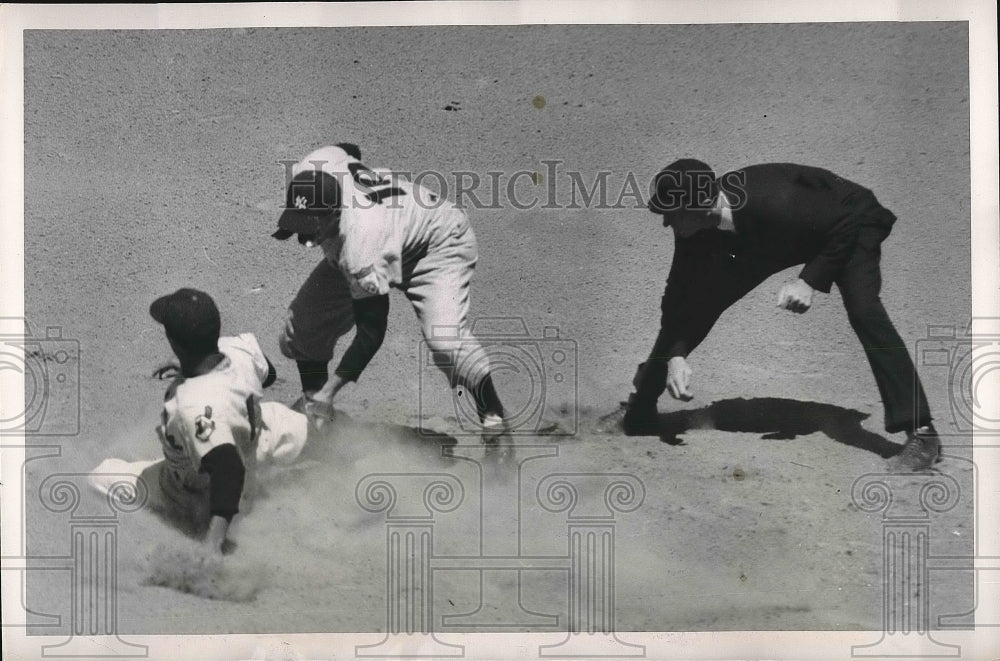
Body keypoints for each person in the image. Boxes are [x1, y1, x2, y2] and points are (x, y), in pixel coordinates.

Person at [624, 159, 940, 472]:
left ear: (702, 205)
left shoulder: (773, 200)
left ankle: (922, 433)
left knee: (864, 309)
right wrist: (676, 355)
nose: (667, 223)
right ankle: (641, 409)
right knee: (701, 302)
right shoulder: (693, 228)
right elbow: (677, 293)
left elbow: (847, 222)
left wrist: (809, 280)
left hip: (846, 223)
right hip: (769, 238)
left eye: (672, 214)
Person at [271, 143, 508, 440]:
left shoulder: (360, 243)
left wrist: (333, 390)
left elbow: (371, 332)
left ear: (334, 214)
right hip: (387, 229)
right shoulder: (311, 169)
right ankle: (317, 413)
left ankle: (494, 419)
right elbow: (348, 149)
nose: (305, 239)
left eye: (311, 231)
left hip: (435, 244)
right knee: (304, 324)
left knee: (446, 343)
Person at [89, 288, 309, 555]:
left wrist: (212, 546)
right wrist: (190, 364)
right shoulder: (236, 349)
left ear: (175, 342)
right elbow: (269, 373)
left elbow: (228, 471)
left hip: (201, 490)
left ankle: (206, 529)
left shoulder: (192, 405)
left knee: (100, 475)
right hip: (258, 444)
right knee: (305, 423)